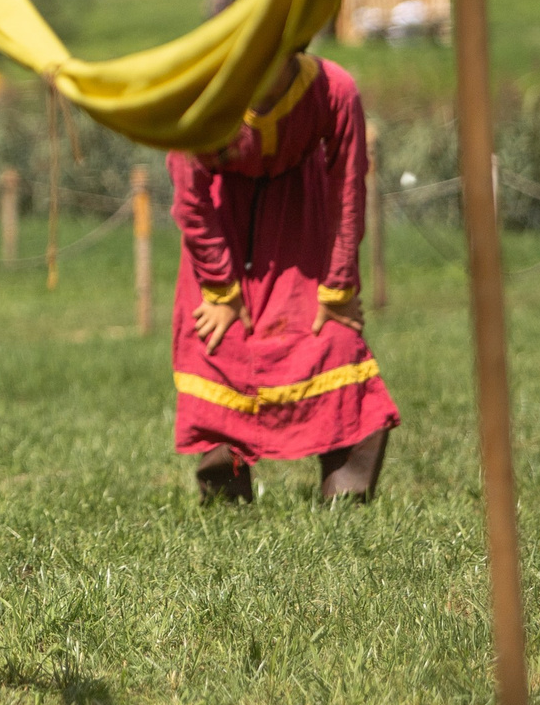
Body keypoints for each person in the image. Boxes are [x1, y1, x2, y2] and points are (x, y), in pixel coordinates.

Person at [169, 53, 397, 503]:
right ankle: (225, 488)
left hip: (302, 218)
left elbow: (348, 187)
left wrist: (337, 286)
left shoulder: (335, 89)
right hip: (222, 224)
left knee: (334, 340)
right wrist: (219, 289)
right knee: (217, 344)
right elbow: (190, 197)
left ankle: (346, 492)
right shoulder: (203, 96)